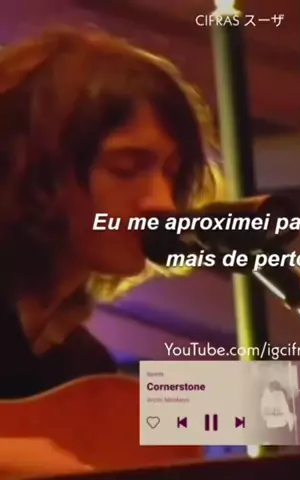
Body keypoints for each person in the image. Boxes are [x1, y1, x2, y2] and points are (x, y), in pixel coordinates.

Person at [0, 27, 222, 477]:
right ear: (31, 169)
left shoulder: (83, 366)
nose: (163, 203)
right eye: (126, 167)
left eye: (171, 173)